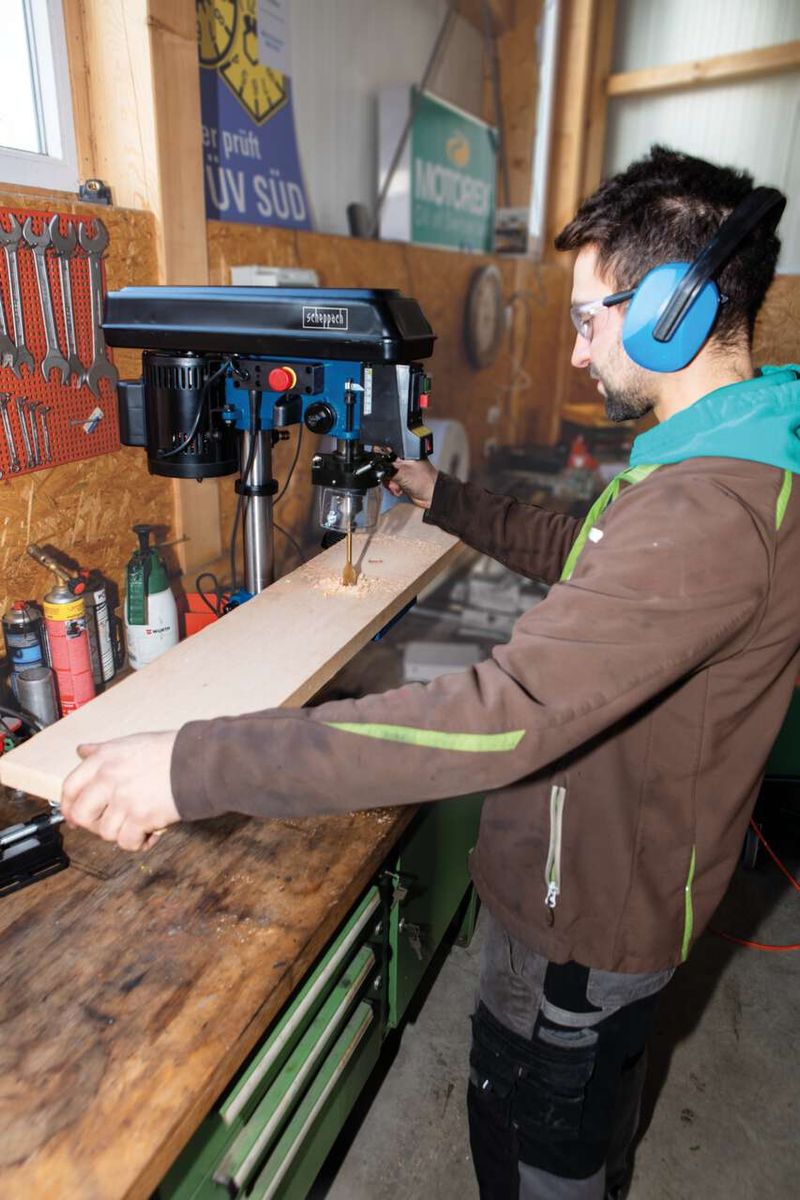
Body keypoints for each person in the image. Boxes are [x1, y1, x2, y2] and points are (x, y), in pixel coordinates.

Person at [61, 146, 798, 1199]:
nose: (578, 353)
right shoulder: (724, 461)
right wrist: (441, 496)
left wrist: (188, 766)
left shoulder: (706, 511)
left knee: (537, 1154)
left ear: (669, 311)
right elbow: (586, 551)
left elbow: (502, 717)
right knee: (576, 1115)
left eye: (588, 320)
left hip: (584, 919)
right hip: (599, 873)